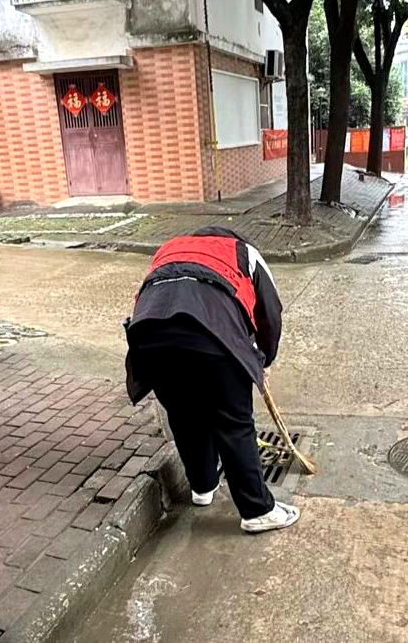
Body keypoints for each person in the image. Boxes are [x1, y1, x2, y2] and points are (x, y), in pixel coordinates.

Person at [124, 227, 299, 533]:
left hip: (149, 338)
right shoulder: (245, 252)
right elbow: (270, 314)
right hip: (213, 333)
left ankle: (203, 486)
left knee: (183, 414)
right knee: (234, 422)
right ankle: (257, 510)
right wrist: (265, 359)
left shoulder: (169, 248)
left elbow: (146, 294)